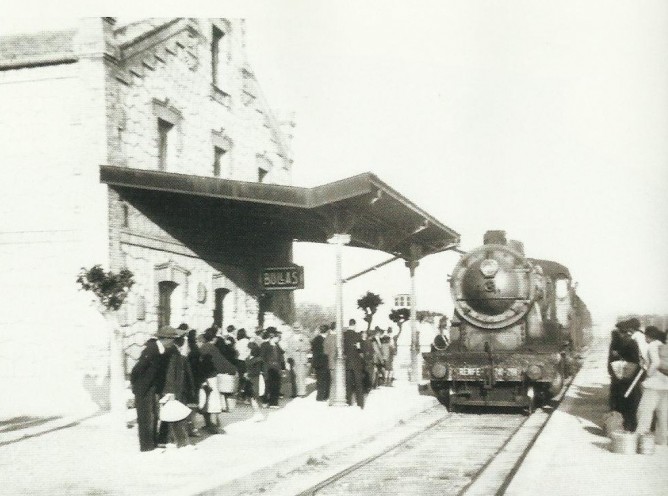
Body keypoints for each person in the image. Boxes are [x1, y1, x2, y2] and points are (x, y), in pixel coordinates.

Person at [129, 325, 177, 452]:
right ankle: (146, 446)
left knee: (153, 415)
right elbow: (137, 369)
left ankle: (152, 442)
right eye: (172, 339)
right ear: (165, 339)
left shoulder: (162, 350)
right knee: (145, 416)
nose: (173, 342)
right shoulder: (151, 349)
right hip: (143, 388)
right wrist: (135, 385)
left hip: (152, 387)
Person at [158, 329, 196, 449]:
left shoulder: (174, 352)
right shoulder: (173, 353)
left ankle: (165, 440)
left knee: (170, 415)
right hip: (174, 389)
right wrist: (171, 391)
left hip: (173, 388)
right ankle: (182, 443)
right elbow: (171, 373)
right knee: (177, 417)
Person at [199, 327, 237, 434]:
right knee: (214, 401)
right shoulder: (212, 348)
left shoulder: (202, 347)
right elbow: (221, 362)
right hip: (211, 377)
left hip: (202, 378)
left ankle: (207, 423)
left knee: (205, 401)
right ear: (214, 338)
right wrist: (233, 370)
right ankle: (214, 425)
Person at [635, 326, 668, 445]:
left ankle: (641, 439)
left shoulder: (653, 346)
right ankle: (662, 441)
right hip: (666, 385)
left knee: (644, 411)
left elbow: (656, 363)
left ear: (649, 336)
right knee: (663, 414)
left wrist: (648, 373)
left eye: (645, 336)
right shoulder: (663, 345)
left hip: (654, 385)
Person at [608, 320, 642, 431]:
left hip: (620, 379)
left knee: (620, 403)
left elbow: (610, 361)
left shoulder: (616, 342)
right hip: (631, 379)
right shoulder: (632, 342)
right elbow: (636, 361)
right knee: (631, 404)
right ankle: (630, 426)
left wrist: (613, 374)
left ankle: (622, 426)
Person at [260, 328, 285, 408]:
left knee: (276, 385)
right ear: (272, 337)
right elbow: (262, 357)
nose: (279, 338)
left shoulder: (277, 346)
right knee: (267, 385)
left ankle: (273, 402)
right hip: (268, 368)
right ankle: (265, 400)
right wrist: (261, 368)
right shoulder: (265, 345)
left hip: (277, 368)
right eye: (277, 337)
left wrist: (283, 368)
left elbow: (281, 356)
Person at [344, 322, 365, 408]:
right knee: (358, 383)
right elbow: (360, 349)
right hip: (356, 362)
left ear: (349, 325)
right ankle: (360, 403)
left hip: (347, 362)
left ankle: (348, 401)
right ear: (354, 325)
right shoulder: (357, 336)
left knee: (348, 383)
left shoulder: (343, 335)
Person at [286, 323, 310, 397]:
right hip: (293, 360)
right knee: (294, 377)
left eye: (298, 328)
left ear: (300, 328)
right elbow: (288, 349)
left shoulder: (304, 337)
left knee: (301, 376)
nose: (296, 329)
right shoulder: (290, 338)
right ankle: (294, 392)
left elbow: (309, 347)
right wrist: (288, 358)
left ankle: (302, 392)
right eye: (295, 328)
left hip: (301, 359)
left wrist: (301, 349)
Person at [245, 342, 267, 421]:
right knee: (252, 397)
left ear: (252, 350)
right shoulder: (249, 358)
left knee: (254, 397)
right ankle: (257, 413)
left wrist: (248, 374)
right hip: (250, 379)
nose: (246, 349)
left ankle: (258, 413)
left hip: (255, 379)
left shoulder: (257, 360)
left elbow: (257, 371)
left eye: (248, 348)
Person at [311, 324, 331, 401]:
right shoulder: (327, 339)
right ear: (327, 331)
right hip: (324, 362)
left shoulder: (315, 339)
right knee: (326, 380)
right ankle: (323, 396)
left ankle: (320, 396)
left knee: (320, 380)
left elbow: (313, 349)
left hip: (317, 362)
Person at [235, 328, 251, 403]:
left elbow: (236, 352)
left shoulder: (237, 342)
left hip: (239, 361)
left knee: (241, 379)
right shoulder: (247, 341)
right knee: (247, 379)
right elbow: (250, 351)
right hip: (246, 361)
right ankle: (246, 397)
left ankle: (239, 395)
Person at [324, 322, 338, 398]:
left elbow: (325, 351)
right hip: (337, 362)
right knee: (336, 381)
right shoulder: (337, 338)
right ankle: (335, 398)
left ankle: (332, 399)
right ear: (336, 328)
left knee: (333, 381)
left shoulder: (327, 338)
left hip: (330, 362)